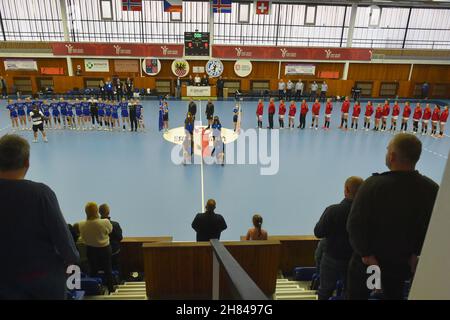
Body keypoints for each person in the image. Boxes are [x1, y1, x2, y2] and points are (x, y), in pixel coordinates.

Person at [346, 133, 439, 300]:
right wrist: (416, 252)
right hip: (401, 266)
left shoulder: (372, 185)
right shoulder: (431, 189)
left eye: (388, 149)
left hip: (371, 266)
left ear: (392, 156)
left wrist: (367, 255)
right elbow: (432, 227)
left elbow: (355, 224)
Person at [0, 134, 79, 299]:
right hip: (42, 283)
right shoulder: (41, 194)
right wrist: (72, 259)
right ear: (27, 163)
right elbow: (64, 242)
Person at [314, 176, 364, 300]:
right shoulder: (367, 213)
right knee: (350, 292)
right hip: (355, 260)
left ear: (346, 189)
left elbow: (318, 232)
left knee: (325, 291)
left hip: (332, 257)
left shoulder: (332, 211)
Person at [75, 202, 114, 292]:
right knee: (108, 270)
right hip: (105, 249)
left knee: (93, 271)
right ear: (97, 211)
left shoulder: (81, 224)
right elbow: (110, 230)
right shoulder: (105, 222)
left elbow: (83, 236)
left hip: (91, 250)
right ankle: (111, 290)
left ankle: (94, 291)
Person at [99, 204, 123, 273]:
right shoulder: (115, 224)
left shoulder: (95, 226)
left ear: (99, 212)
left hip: (99, 254)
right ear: (108, 212)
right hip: (114, 252)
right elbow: (120, 237)